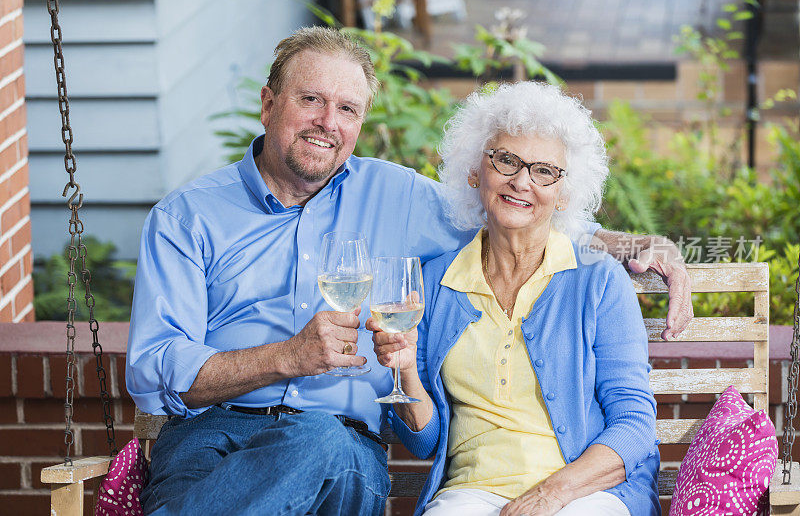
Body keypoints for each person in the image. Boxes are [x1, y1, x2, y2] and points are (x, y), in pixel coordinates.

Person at [126, 27, 684, 515]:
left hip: (339, 447)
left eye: (347, 109)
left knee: (320, 443)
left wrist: (632, 243)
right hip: (211, 439)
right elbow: (152, 370)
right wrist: (285, 358)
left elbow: (512, 207)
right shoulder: (187, 218)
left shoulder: (397, 196)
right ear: (269, 103)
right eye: (310, 100)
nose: (328, 123)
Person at [369, 81, 660, 516]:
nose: (522, 181)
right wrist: (407, 373)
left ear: (563, 193)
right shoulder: (435, 282)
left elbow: (635, 427)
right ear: (475, 170)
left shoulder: (597, 279)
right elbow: (423, 441)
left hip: (583, 493)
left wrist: (547, 498)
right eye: (506, 160)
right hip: (469, 493)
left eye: (544, 171)